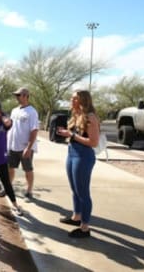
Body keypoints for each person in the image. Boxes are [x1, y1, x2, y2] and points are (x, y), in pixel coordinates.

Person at [57, 90, 99, 238]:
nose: (71, 100)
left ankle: (85, 228)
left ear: (83, 100)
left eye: (75, 98)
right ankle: (76, 217)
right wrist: (65, 133)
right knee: (75, 190)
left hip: (83, 156)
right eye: (72, 97)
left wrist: (72, 135)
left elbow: (93, 142)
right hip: (72, 154)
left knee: (83, 193)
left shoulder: (90, 117)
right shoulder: (76, 116)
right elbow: (74, 136)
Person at [7, 87, 39, 201]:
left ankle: (29, 191)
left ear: (26, 96)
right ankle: (8, 188)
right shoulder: (14, 110)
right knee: (10, 168)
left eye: (18, 95)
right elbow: (10, 127)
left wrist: (28, 147)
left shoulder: (32, 112)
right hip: (12, 146)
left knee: (27, 170)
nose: (16, 97)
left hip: (25, 147)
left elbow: (34, 130)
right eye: (16, 95)